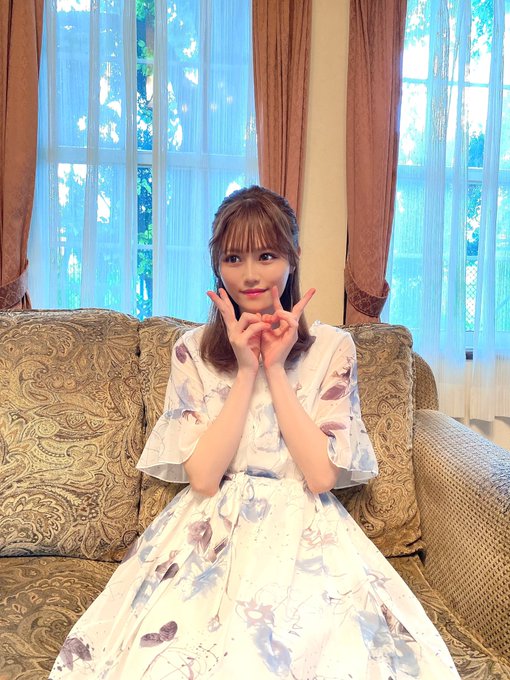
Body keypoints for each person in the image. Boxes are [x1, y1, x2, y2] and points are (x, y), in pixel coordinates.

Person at [49, 186, 460, 679]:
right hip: (210, 526)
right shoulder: (191, 350)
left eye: (266, 256)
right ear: (217, 266)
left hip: (305, 524)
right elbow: (204, 478)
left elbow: (320, 477)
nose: (249, 274)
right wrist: (247, 369)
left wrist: (276, 367)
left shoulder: (333, 348)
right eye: (233, 258)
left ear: (291, 258)